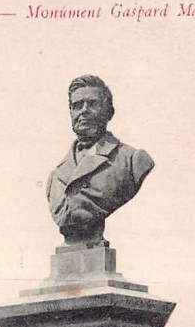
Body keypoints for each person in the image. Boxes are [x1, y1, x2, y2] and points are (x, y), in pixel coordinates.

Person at [46, 74, 154, 245]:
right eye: (77, 105)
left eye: (93, 104)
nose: (84, 110)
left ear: (110, 112)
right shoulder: (55, 176)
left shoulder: (132, 161)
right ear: (71, 113)